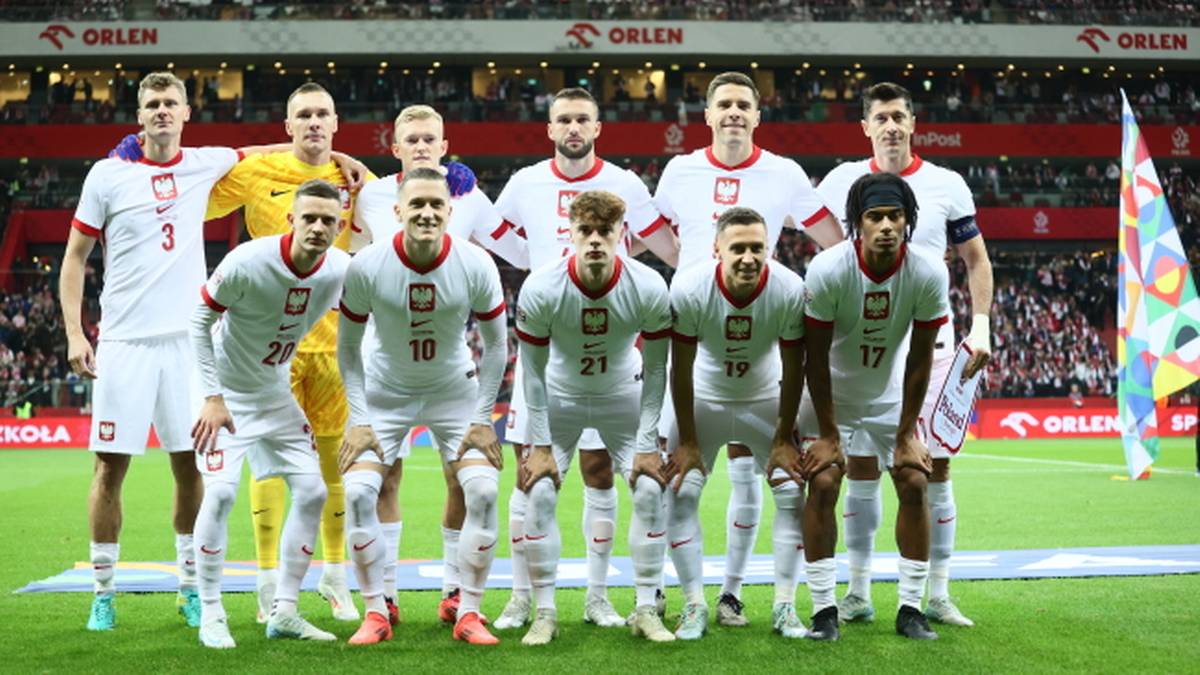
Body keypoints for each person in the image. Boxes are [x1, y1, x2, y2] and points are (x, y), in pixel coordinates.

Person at [652, 70, 843, 625]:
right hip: (702, 335)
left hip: (760, 339)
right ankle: (672, 594)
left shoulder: (783, 172)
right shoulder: (679, 169)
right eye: (724, 105)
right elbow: (654, 236)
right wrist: (694, 279)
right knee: (672, 484)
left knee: (754, 477)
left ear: (757, 116)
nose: (734, 113)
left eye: (744, 105)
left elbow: (829, 239)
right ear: (707, 115)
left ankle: (735, 593)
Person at [492, 87, 678, 630]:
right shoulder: (526, 182)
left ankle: (601, 598)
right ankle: (524, 599)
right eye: (563, 119)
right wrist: (535, 262)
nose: (573, 127)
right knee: (530, 484)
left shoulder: (626, 185)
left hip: (615, 363)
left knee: (604, 475)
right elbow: (500, 232)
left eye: (582, 119)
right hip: (554, 355)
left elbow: (656, 244)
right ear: (550, 127)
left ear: (597, 126)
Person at [60, 72, 241, 631]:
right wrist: (75, 332)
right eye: (152, 104)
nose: (162, 111)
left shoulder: (205, 164)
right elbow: (74, 258)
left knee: (190, 468)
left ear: (187, 112)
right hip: (125, 342)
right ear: (139, 115)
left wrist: (339, 160)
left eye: (171, 103)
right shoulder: (108, 174)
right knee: (109, 468)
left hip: (189, 344)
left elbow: (269, 153)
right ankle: (103, 593)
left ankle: (189, 587)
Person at [816, 82, 993, 628]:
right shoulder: (842, 181)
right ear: (865, 127)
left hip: (930, 345)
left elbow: (975, 258)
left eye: (899, 116)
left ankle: (935, 591)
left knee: (931, 467)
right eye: (880, 117)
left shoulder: (947, 183)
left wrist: (981, 326)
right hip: (862, 345)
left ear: (913, 123)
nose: (891, 125)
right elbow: (830, 254)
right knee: (862, 467)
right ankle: (858, 590)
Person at [351, 104, 527, 625]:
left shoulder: (469, 194)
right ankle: (383, 600)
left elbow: (513, 248)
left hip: (449, 365)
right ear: (395, 147)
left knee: (463, 481)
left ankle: (456, 592)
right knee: (382, 481)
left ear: (445, 146)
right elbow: (331, 219)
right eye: (413, 138)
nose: (423, 145)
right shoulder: (369, 194)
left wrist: (578, 248)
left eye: (432, 138)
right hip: (385, 364)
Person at [205, 82, 374, 623]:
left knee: (330, 467)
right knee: (269, 467)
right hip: (267, 351)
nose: (314, 123)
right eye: (303, 115)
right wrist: (254, 152)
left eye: (323, 114)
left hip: (332, 348)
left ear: (337, 122)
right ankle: (265, 580)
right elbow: (192, 191)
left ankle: (333, 577)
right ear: (287, 126)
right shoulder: (257, 173)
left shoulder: (358, 179)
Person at [189, 179, 350, 648]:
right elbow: (198, 320)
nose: (318, 227)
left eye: (328, 220)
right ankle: (212, 613)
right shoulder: (248, 261)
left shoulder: (340, 268)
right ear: (291, 220)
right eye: (310, 218)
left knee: (314, 490)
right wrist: (212, 397)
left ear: (340, 227)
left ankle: (285, 610)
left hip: (275, 393)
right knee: (219, 496)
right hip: (225, 396)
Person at [515, 190, 674, 645]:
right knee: (540, 492)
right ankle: (544, 613)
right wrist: (541, 445)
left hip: (621, 395)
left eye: (606, 231)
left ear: (621, 233)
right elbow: (532, 374)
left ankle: (645, 608)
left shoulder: (647, 285)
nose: (596, 241)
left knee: (648, 490)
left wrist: (647, 445)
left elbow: (658, 371)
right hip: (559, 398)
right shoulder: (542, 286)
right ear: (570, 231)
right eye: (586, 230)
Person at [796, 172, 949, 641]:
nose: (886, 225)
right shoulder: (828, 269)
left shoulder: (927, 272)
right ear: (857, 224)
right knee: (822, 482)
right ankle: (824, 610)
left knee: (915, 478)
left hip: (888, 396)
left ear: (908, 222)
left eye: (895, 216)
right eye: (874, 216)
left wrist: (906, 433)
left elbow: (921, 358)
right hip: (829, 397)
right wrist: (828, 433)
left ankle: (910, 608)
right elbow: (814, 358)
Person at [664, 207, 808, 640]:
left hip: (764, 400)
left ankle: (785, 605)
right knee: (680, 491)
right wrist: (687, 441)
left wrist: (784, 437)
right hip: (704, 400)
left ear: (770, 249)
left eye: (757, 248)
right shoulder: (689, 288)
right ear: (716, 250)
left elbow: (795, 364)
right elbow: (680, 368)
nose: (749, 257)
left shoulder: (787, 288)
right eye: (738, 248)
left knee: (792, 493)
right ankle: (693, 605)